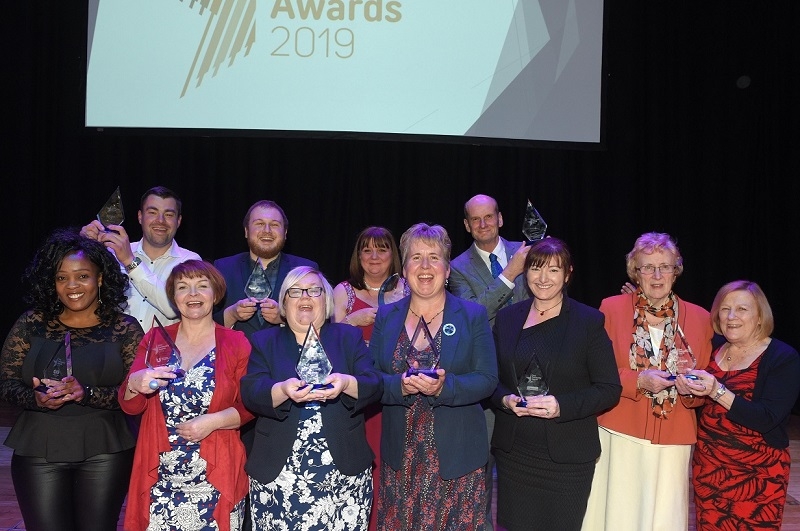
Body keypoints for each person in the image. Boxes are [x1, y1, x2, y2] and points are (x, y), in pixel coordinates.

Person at [0, 227, 144, 531]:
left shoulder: (125, 328)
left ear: (100, 279)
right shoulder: (31, 323)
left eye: (82, 276)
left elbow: (134, 394)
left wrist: (86, 392)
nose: (72, 286)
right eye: (62, 278)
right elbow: (6, 384)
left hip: (106, 451)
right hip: (38, 449)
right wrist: (35, 398)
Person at [369, 222, 498, 530]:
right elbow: (370, 380)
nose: (425, 266)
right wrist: (399, 386)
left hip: (457, 462)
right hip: (401, 462)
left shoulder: (472, 315)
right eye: (415, 257)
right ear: (404, 269)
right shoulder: (386, 316)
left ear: (447, 268)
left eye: (434, 257)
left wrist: (444, 387)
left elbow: (487, 379)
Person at [581, 232, 714, 531]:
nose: (656, 275)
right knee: (618, 514)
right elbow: (595, 372)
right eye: (648, 267)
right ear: (635, 272)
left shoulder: (700, 318)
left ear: (676, 271)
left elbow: (703, 383)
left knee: (664, 516)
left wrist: (691, 390)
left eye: (664, 267)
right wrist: (639, 380)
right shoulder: (612, 309)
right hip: (619, 429)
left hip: (674, 435)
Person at [491, 237, 621, 530]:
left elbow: (609, 389)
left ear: (568, 274)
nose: (543, 278)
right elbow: (491, 380)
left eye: (553, 270)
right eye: (536, 268)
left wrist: (561, 406)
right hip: (515, 454)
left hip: (568, 459)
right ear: (525, 272)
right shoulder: (507, 318)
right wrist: (505, 400)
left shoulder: (588, 321)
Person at [241, 266, 382, 529]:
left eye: (314, 290)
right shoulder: (265, 341)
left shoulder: (348, 337)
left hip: (343, 473)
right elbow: (251, 392)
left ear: (326, 300)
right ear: (284, 303)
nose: (305, 296)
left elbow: (374, 384)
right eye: (295, 291)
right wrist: (282, 390)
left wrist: (346, 383)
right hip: (279, 475)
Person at [120, 259, 254, 531]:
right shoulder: (155, 339)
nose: (193, 294)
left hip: (215, 471)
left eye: (202, 286)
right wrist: (134, 382)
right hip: (159, 473)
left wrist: (213, 422)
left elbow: (250, 406)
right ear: (174, 297)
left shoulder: (235, 342)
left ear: (215, 295)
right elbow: (131, 406)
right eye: (183, 287)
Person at [679, 280, 800, 530]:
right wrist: (687, 392)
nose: (731, 316)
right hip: (710, 470)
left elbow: (767, 418)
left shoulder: (782, 357)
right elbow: (701, 403)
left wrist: (717, 390)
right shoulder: (712, 349)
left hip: (759, 475)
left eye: (742, 309)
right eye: (725, 309)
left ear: (760, 317)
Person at [448, 193, 530, 528]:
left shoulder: (528, 251)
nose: (483, 224)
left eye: (488, 216)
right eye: (475, 219)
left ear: (500, 218)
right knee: (480, 471)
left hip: (530, 376)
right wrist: (510, 273)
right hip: (485, 380)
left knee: (524, 475)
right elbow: (474, 315)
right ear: (467, 226)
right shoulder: (456, 268)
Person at [332, 226, 409, 531]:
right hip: (357, 393)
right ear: (358, 256)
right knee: (364, 463)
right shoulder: (343, 291)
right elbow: (326, 339)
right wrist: (352, 321)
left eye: (382, 249)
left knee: (395, 464)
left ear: (393, 254)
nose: (374, 256)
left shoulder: (407, 288)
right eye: (367, 250)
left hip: (397, 388)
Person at [81, 185, 201, 331]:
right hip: (114, 343)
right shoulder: (112, 253)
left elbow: (172, 308)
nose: (160, 220)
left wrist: (129, 262)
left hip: (162, 346)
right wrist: (84, 246)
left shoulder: (190, 261)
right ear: (140, 217)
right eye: (152, 212)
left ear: (179, 221)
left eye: (169, 214)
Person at [214, 200, 318, 339]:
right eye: (259, 224)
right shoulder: (222, 268)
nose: (267, 230)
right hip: (234, 352)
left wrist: (284, 318)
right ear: (246, 231)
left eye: (274, 225)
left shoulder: (306, 270)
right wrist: (231, 314)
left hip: (286, 352)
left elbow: (319, 323)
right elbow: (203, 322)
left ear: (285, 232)